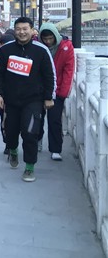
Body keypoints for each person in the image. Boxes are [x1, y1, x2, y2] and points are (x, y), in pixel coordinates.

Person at [0, 17, 56, 182]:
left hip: (33, 100)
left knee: (30, 133)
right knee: (11, 132)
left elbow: (50, 75)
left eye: (25, 29)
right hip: (11, 101)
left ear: (32, 30)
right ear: (15, 31)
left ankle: (29, 167)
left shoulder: (41, 51)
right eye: (18, 29)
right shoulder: (5, 50)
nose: (22, 32)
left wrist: (49, 97)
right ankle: (13, 150)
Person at [39, 23, 75, 161]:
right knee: (37, 118)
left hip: (57, 90)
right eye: (45, 39)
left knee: (54, 120)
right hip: (39, 89)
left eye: (50, 38)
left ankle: (55, 149)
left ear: (55, 36)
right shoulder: (38, 46)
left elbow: (68, 70)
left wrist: (63, 93)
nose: (48, 41)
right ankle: (37, 140)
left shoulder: (66, 47)